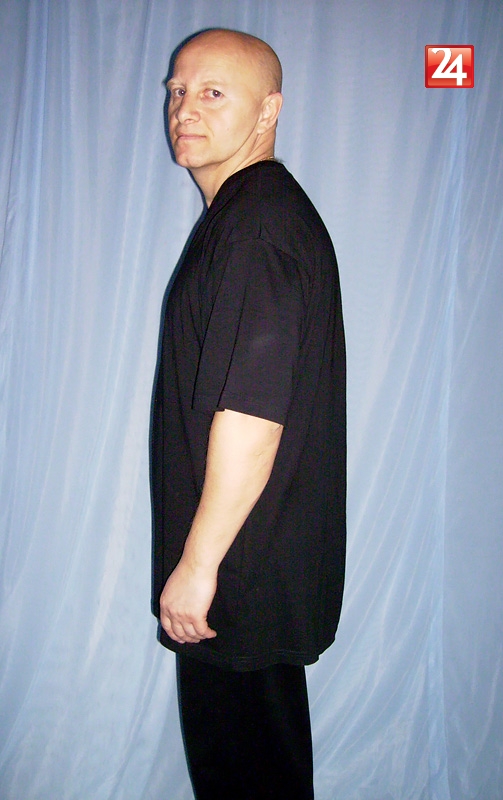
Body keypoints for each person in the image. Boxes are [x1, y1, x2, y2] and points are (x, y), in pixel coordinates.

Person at [151, 28, 346, 799]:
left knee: (246, 777)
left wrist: (198, 567)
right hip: (251, 567)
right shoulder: (249, 217)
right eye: (176, 91)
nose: (184, 109)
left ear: (268, 111)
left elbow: (251, 414)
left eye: (212, 92)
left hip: (238, 574)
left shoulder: (257, 226)